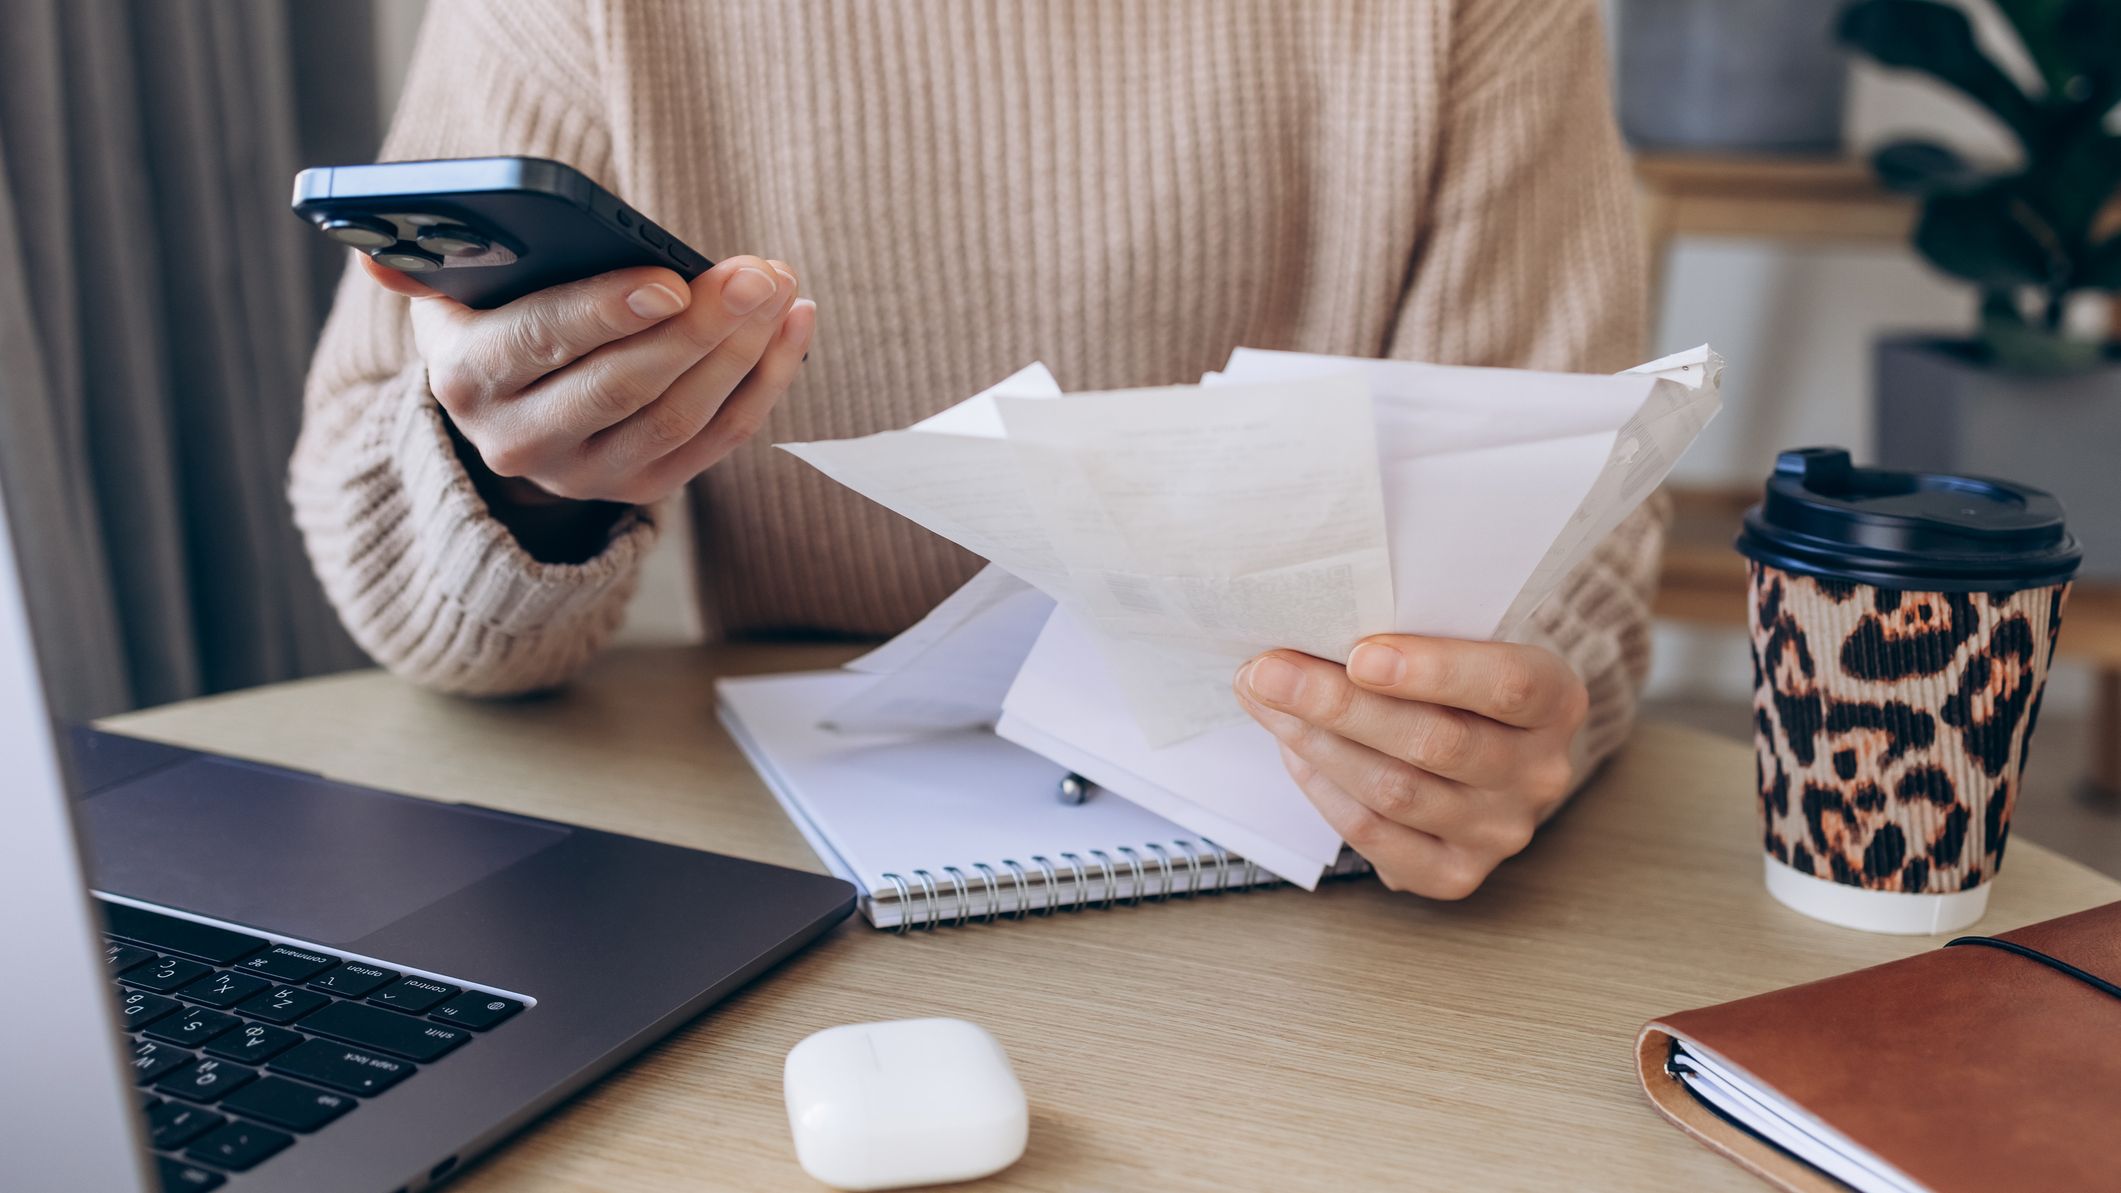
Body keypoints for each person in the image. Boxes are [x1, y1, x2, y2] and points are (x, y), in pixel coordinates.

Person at [293, 0, 1664, 901]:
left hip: (1302, 852)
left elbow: (1574, 535)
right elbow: (407, 584)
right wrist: (521, 479)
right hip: (776, 859)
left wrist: (1496, 714)